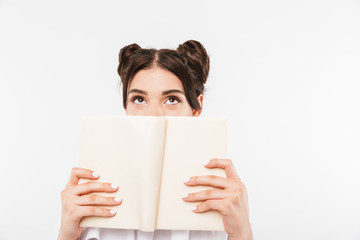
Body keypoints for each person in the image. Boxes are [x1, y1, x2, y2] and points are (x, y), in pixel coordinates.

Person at [57, 40, 253, 240]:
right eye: (139, 99)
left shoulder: (220, 199)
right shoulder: (94, 193)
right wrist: (66, 234)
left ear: (196, 107)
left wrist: (241, 232)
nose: (153, 115)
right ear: (126, 107)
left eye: (172, 99)